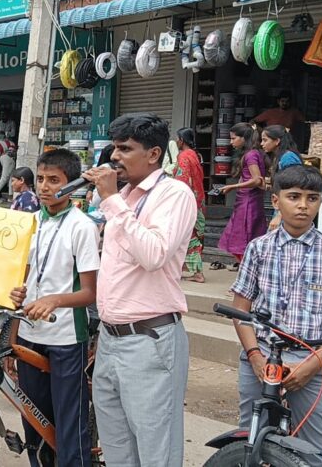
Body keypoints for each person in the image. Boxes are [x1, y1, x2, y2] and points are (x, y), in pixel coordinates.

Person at [81, 113, 196, 467]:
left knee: (155, 450)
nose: (115, 157)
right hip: (110, 339)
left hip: (149, 340)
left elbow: (153, 254)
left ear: (153, 154)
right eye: (114, 148)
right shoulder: (124, 196)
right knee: (117, 448)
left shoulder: (174, 194)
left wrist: (111, 201)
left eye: (125, 149)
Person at [230, 165, 322, 467]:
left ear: (320, 202)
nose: (303, 205)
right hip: (261, 356)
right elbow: (240, 311)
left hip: (311, 357)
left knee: (314, 450)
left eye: (312, 198)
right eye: (294, 196)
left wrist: (313, 365)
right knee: (252, 439)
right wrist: (255, 356)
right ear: (276, 200)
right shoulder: (258, 249)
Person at [9, 148, 100, 467]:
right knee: (34, 422)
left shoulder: (82, 226)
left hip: (66, 337)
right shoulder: (29, 223)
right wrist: (13, 328)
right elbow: (21, 278)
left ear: (71, 184)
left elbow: (89, 293)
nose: (44, 187)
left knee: (69, 424)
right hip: (30, 334)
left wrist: (54, 300)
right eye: (40, 179)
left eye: (54, 180)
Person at [217, 123, 267, 271]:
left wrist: (232, 186)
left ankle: (248, 271)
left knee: (243, 237)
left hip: (248, 202)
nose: (231, 142)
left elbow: (257, 180)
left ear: (244, 138)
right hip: (249, 200)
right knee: (247, 236)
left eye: (233, 138)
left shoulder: (250, 155)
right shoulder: (255, 153)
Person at [173, 128, 206, 283]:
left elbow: (182, 180)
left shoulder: (184, 156)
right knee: (192, 234)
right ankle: (182, 268)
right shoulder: (194, 155)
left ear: (182, 140)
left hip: (187, 201)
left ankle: (197, 273)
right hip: (198, 199)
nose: (176, 141)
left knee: (188, 235)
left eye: (177, 138)